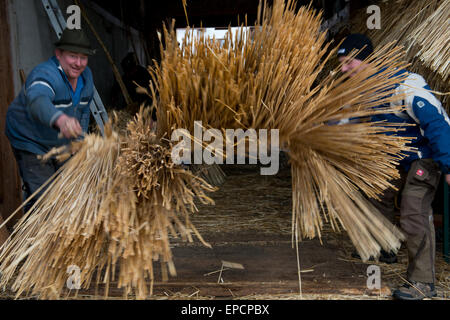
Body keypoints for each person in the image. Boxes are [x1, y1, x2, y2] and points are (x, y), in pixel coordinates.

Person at [337, 33, 450, 300]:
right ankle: (384, 247)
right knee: (377, 192)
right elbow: (345, 125)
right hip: (393, 156)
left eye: (349, 63)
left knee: (413, 210)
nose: (343, 69)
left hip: (426, 155)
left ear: (366, 60)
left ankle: (423, 282)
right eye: (341, 63)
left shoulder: (405, 85)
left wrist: (448, 166)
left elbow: (437, 124)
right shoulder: (359, 93)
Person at [5, 28, 96, 214]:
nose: (78, 63)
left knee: (66, 190)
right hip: (30, 139)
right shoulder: (46, 74)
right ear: (59, 54)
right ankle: (34, 239)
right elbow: (38, 100)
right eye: (72, 56)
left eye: (83, 57)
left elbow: (83, 112)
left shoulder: (86, 79)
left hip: (59, 142)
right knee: (47, 198)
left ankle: (34, 223)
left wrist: (80, 143)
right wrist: (60, 119)